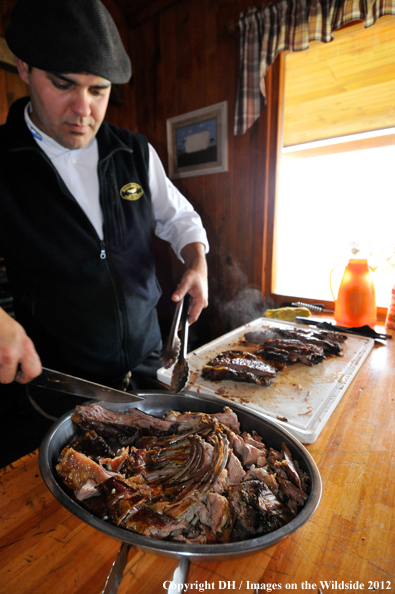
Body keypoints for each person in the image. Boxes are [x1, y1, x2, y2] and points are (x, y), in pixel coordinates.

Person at [0, 0, 208, 412]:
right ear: (24, 68)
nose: (83, 109)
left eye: (98, 90)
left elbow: (180, 218)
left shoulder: (134, 151)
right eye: (63, 85)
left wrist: (197, 262)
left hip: (150, 372)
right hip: (61, 389)